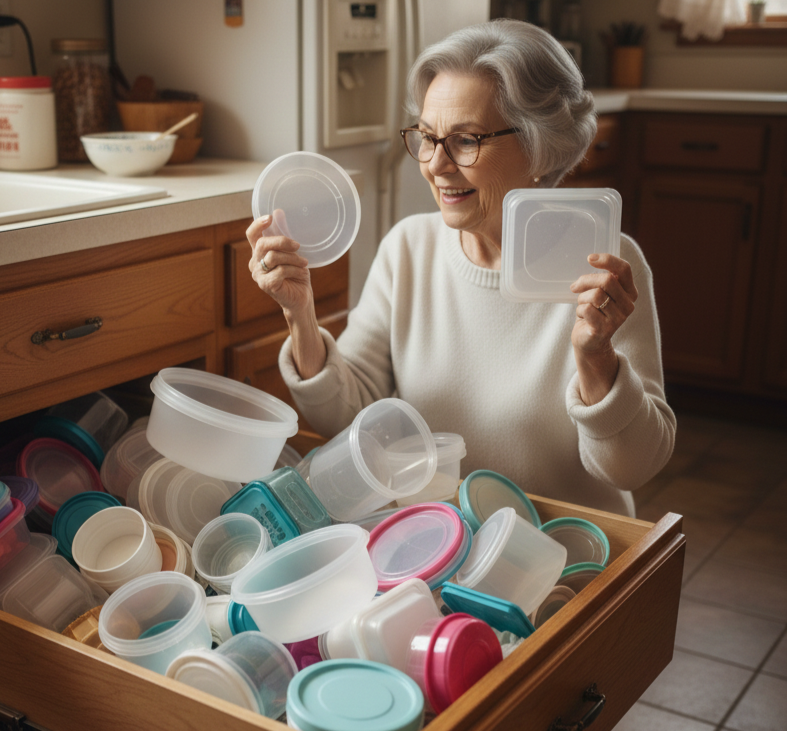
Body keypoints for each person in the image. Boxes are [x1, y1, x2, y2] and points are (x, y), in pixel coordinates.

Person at [245, 19, 675, 517]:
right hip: (444, 542)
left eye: (466, 140)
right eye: (427, 137)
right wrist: (299, 314)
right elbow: (350, 415)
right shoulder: (409, 249)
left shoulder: (604, 266)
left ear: (539, 146)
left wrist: (597, 357)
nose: (435, 164)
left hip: (570, 553)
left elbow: (633, 468)